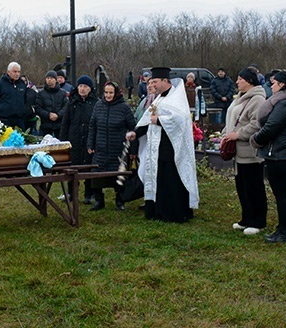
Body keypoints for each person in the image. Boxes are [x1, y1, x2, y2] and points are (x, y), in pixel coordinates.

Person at [127, 67, 199, 223]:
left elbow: (181, 120)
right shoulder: (159, 99)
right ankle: (158, 210)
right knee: (159, 179)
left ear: (165, 81)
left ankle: (174, 213)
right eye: (151, 82)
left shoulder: (176, 98)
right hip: (157, 148)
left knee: (171, 180)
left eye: (156, 82)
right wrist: (136, 133)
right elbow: (147, 121)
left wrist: (159, 120)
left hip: (172, 148)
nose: (153, 85)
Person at [250, 70, 286, 243]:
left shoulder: (284, 104)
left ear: (282, 85)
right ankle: (281, 229)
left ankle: (284, 233)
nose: (271, 85)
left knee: (281, 195)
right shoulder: (285, 102)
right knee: (280, 194)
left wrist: (255, 140)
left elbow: (271, 128)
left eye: (274, 83)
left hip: (281, 154)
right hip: (280, 152)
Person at [221, 67, 267, 235]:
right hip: (238, 151)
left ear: (249, 81)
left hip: (250, 151)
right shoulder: (241, 97)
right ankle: (246, 218)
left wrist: (238, 135)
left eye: (240, 79)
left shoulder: (258, 99)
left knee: (254, 186)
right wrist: (225, 134)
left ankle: (258, 221)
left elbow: (257, 124)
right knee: (242, 187)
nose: (237, 82)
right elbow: (233, 119)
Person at [86, 81, 136, 210]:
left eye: (111, 93)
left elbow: (133, 130)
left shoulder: (124, 108)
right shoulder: (98, 105)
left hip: (117, 149)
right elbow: (92, 126)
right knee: (97, 177)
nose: (108, 95)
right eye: (106, 92)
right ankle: (99, 201)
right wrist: (90, 144)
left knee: (119, 177)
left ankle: (120, 201)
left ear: (116, 93)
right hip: (100, 148)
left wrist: (133, 150)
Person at [60, 75, 98, 202]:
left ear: (90, 88)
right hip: (74, 139)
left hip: (88, 139)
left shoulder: (95, 103)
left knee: (88, 166)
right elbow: (65, 123)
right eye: (81, 86)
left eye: (85, 86)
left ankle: (89, 194)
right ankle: (71, 193)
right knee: (72, 166)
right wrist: (63, 141)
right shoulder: (72, 102)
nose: (82, 89)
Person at [34, 70, 68, 137]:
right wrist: (48, 115)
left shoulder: (63, 93)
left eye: (51, 78)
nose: (49, 80)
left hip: (59, 126)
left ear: (56, 80)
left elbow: (66, 107)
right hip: (45, 126)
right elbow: (38, 108)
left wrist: (57, 115)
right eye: (48, 78)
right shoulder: (40, 93)